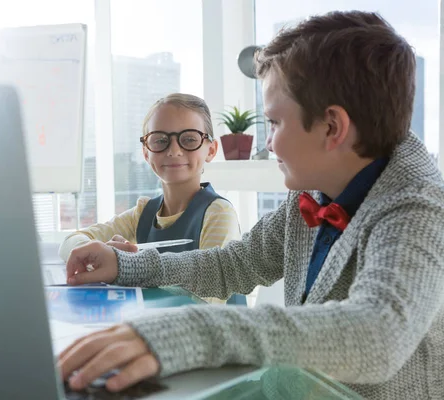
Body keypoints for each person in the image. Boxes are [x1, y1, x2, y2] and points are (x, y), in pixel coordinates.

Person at [58, 11, 444, 400]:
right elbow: (235, 264)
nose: (270, 142)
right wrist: (127, 263)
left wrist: (192, 332)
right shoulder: (313, 189)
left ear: (332, 127)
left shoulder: (420, 208)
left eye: (275, 123)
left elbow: (376, 336)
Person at [58, 93, 240, 261]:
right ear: (146, 152)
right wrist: (101, 251)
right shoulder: (143, 213)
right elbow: (69, 243)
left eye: (189, 139)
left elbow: (207, 293)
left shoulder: (218, 214)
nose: (174, 151)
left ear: (211, 150)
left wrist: (126, 267)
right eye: (160, 140)